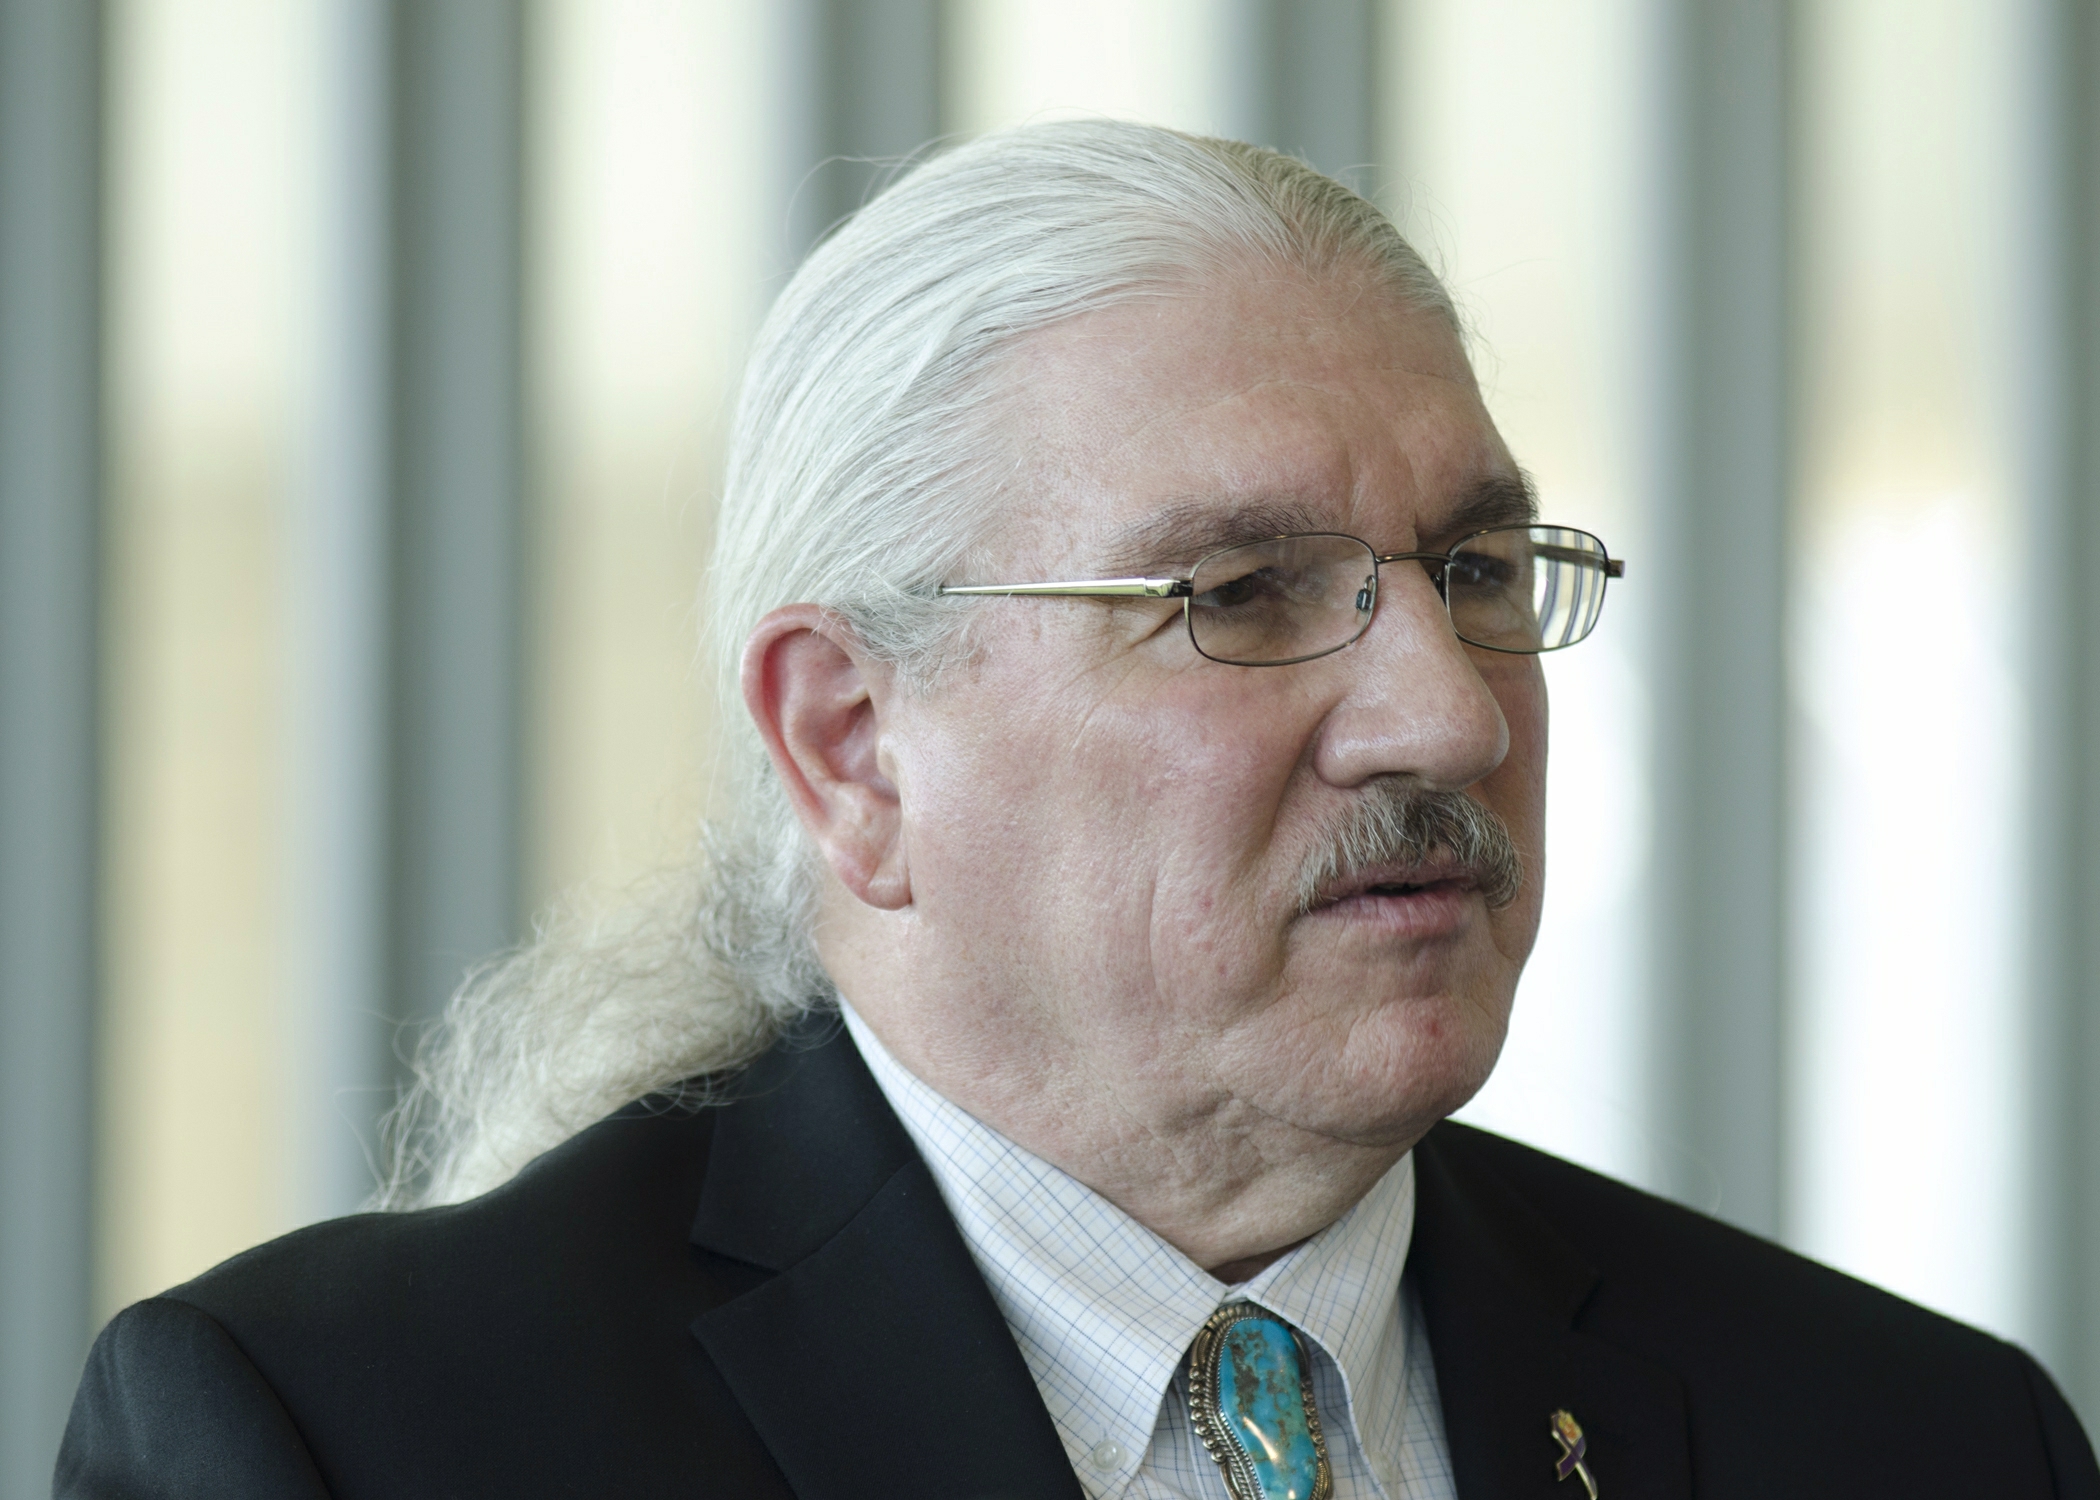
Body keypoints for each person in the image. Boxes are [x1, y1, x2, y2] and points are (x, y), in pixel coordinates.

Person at [56, 120, 2097, 1500]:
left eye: (1478, 573)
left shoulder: (1911, 1440)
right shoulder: (355, 1442)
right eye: (1243, 596)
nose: (1448, 721)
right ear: (856, 745)